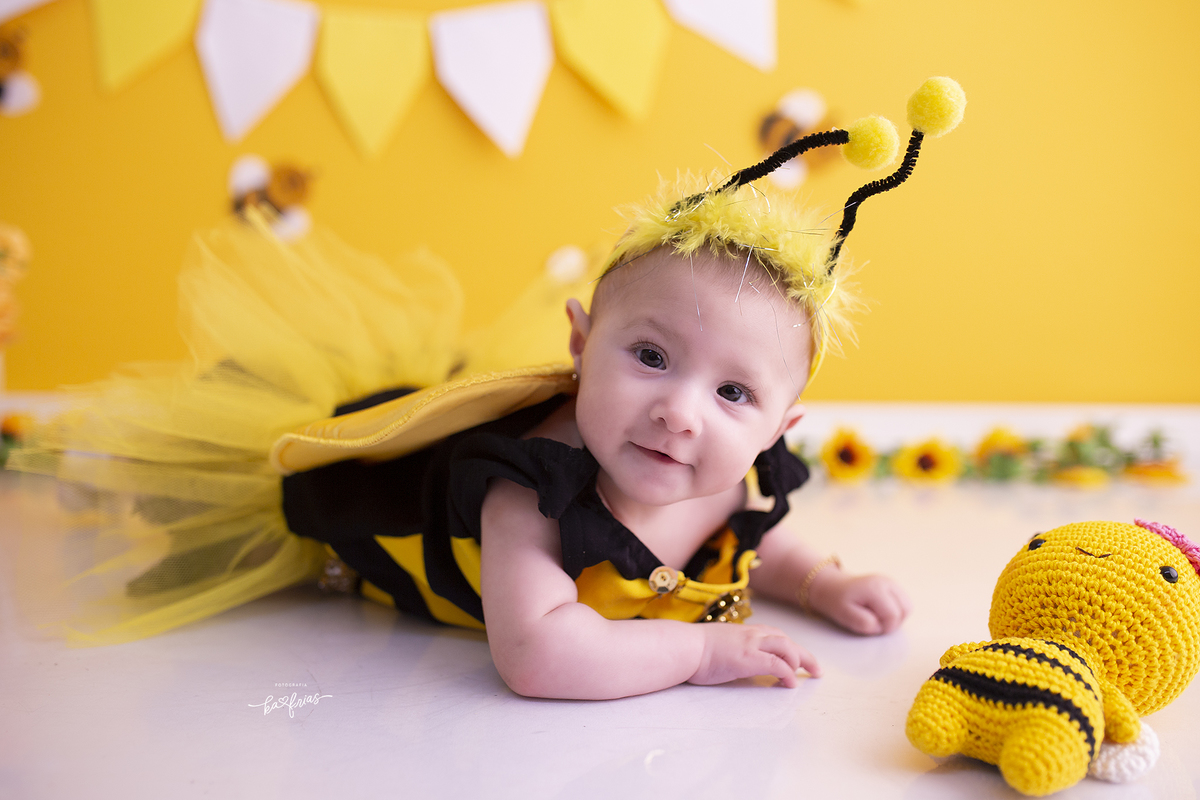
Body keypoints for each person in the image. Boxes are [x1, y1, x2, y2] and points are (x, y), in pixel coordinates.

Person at [10, 78, 965, 701]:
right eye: (650, 358)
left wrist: (818, 581)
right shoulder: (531, 487)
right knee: (229, 482)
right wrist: (701, 653)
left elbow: (748, 528)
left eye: (733, 396)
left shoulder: (725, 469)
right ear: (580, 346)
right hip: (366, 502)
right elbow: (539, 654)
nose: (681, 411)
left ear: (779, 429)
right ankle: (119, 466)